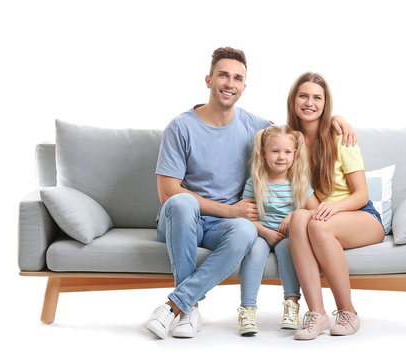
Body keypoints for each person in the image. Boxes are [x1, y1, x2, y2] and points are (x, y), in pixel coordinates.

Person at [146, 47, 356, 339]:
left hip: (225, 227)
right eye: (223, 75)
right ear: (209, 80)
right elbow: (168, 193)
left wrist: (335, 120)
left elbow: (291, 136)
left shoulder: (254, 127)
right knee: (183, 203)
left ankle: (176, 306)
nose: (230, 83)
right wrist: (230, 210)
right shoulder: (180, 127)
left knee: (245, 231)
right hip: (183, 220)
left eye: (237, 78)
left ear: (244, 86)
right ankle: (187, 306)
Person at [287, 72, 385, 340]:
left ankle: (348, 311)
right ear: (293, 100)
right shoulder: (290, 143)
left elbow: (361, 194)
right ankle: (316, 314)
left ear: (325, 103)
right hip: (327, 217)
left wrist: (333, 208)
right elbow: (309, 199)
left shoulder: (340, 136)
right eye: (303, 96)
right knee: (299, 218)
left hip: (362, 216)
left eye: (317, 97)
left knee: (318, 227)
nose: (310, 102)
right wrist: (317, 212)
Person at [238, 125, 320, 336]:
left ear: (295, 154)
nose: (281, 157)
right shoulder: (254, 182)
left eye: (287, 152)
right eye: (275, 151)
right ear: (264, 153)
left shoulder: (299, 183)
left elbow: (316, 211)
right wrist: (265, 232)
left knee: (287, 249)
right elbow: (244, 216)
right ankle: (247, 309)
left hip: (287, 237)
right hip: (261, 234)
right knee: (254, 251)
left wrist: (294, 216)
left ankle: (291, 305)